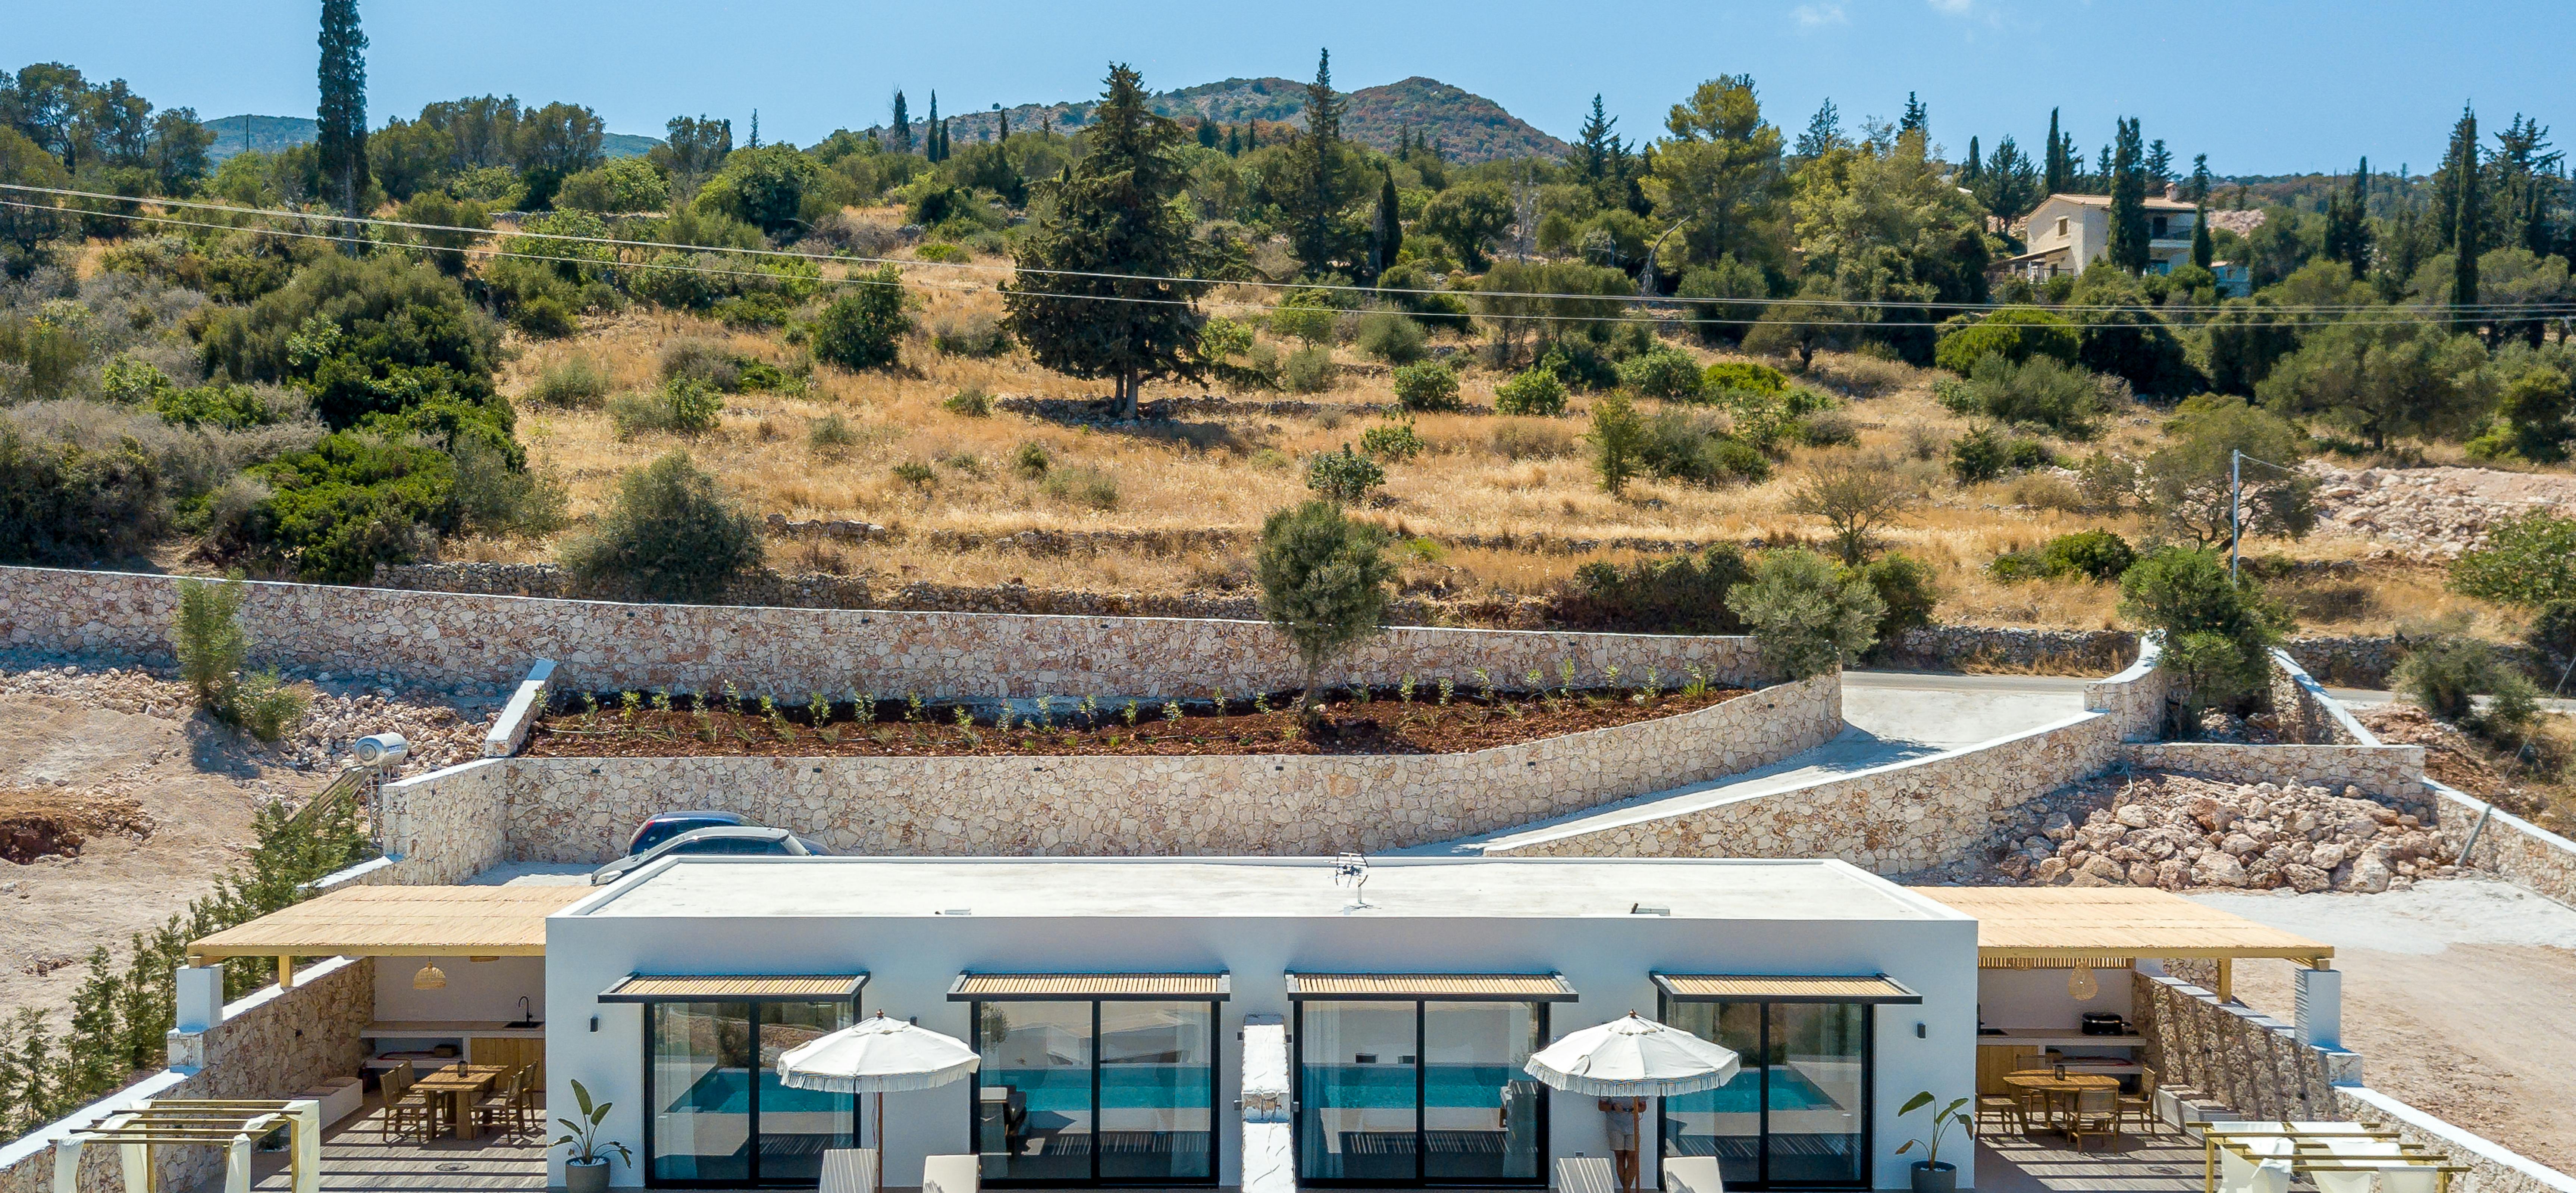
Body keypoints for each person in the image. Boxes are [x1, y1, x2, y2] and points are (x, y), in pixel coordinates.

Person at [1598, 1096, 1648, 1190]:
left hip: (1633, 1126)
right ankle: (1627, 1190)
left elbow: (1643, 1107)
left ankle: (1626, 1191)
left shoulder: (1637, 1085)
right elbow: (1601, 1106)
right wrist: (1613, 1107)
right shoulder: (1610, 1085)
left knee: (1633, 1158)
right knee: (1620, 1157)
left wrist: (1636, 1108)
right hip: (1615, 1126)